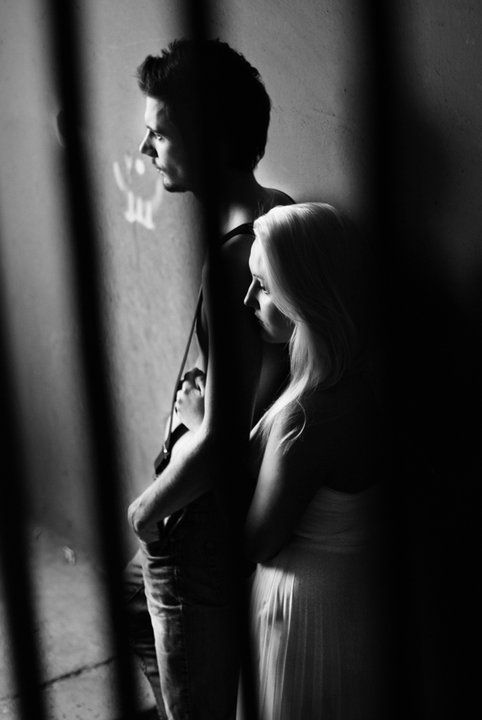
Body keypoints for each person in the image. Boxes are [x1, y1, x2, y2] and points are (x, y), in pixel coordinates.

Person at [124, 38, 293, 720]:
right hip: (211, 510)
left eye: (161, 134)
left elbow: (225, 436)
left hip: (197, 520)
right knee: (135, 605)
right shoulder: (275, 213)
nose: (146, 149)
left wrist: (146, 512)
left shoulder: (235, 259)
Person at [237, 203, 389, 718]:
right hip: (359, 598)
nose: (247, 299)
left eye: (262, 286)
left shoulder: (306, 417)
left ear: (302, 297)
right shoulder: (365, 378)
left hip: (304, 615)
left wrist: (199, 427)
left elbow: (258, 541)